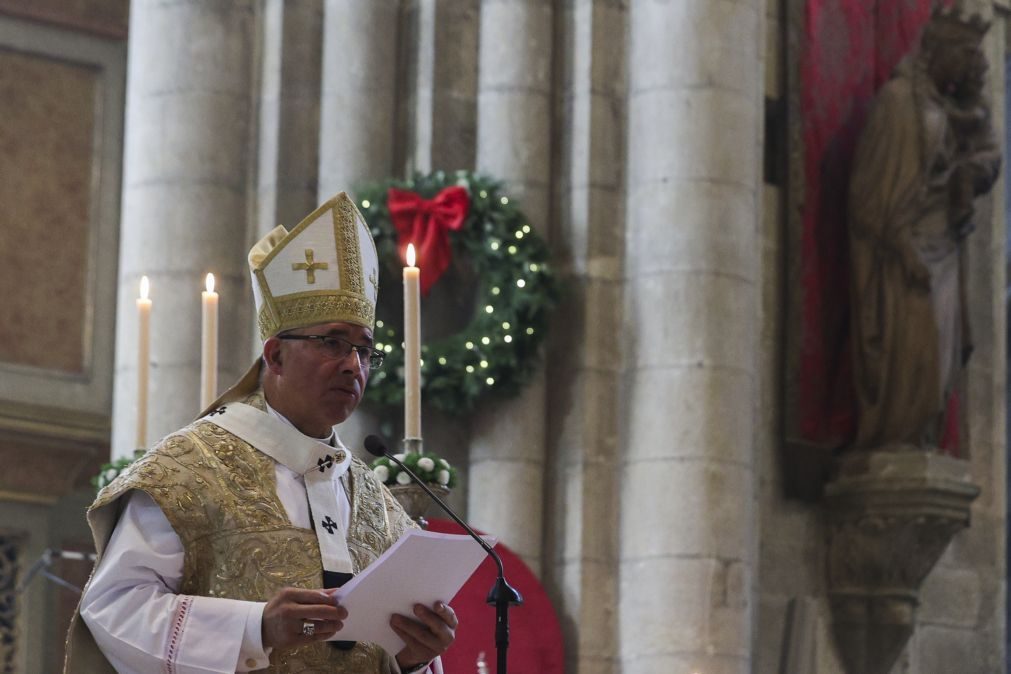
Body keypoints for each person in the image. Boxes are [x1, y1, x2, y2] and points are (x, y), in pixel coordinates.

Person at [64, 193, 455, 673]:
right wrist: (256, 628)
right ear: (274, 356)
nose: (353, 365)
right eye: (333, 342)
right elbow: (114, 608)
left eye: (364, 350)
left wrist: (415, 660)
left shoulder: (381, 503)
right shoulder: (188, 470)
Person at [848, 7, 1000, 450]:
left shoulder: (954, 109)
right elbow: (868, 196)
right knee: (917, 350)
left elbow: (989, 153)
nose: (972, 68)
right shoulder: (899, 102)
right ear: (939, 52)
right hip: (903, 255)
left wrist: (969, 171)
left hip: (944, 248)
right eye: (966, 57)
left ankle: (922, 441)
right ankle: (898, 438)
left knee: (943, 361)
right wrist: (903, 249)